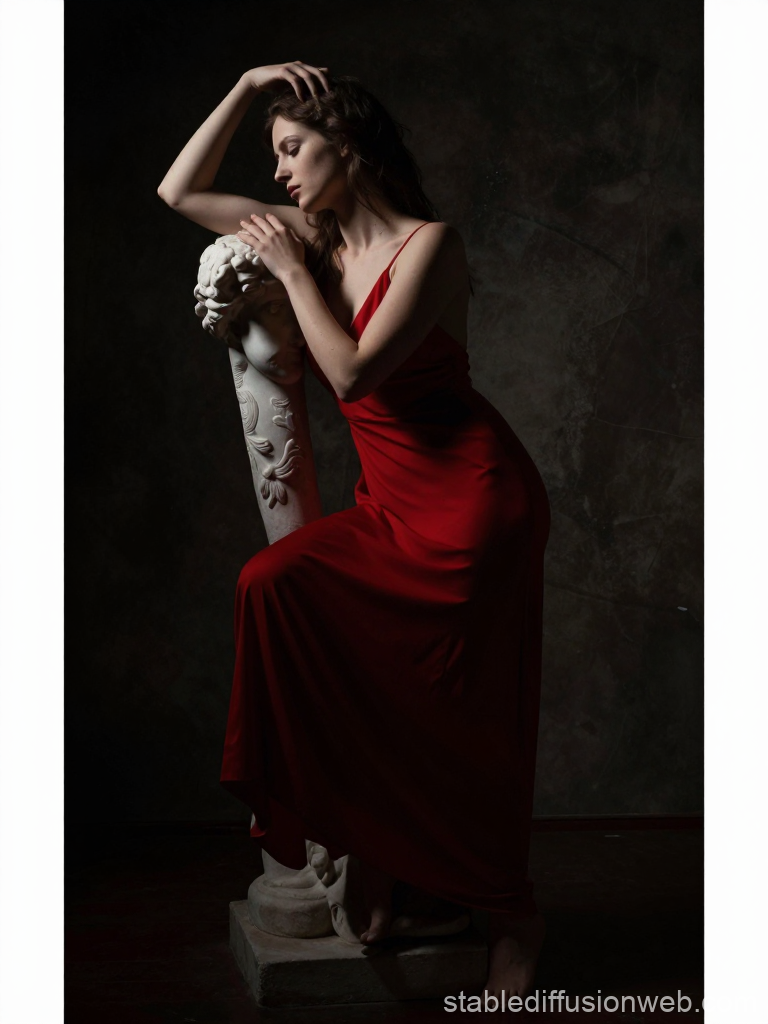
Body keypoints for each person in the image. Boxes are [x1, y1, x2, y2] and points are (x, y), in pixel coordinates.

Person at [158, 61, 550, 998]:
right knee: (275, 588)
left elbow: (355, 377)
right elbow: (178, 191)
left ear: (349, 142)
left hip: (474, 504)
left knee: (465, 710)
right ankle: (376, 852)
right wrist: (253, 89)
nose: (282, 174)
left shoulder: (430, 245)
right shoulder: (312, 239)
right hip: (391, 507)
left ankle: (511, 910)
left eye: (293, 149)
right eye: (275, 156)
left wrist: (292, 272)